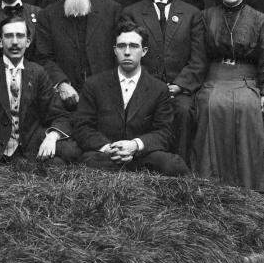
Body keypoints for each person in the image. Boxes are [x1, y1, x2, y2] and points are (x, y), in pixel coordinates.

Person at [191, 0, 264, 192]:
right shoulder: (206, 16)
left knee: (247, 106)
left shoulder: (261, 20)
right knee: (210, 104)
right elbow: (199, 56)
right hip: (215, 76)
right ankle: (210, 182)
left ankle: (250, 184)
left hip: (246, 77)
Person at [71, 24, 190, 176]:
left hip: (142, 156)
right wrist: (109, 148)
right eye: (121, 46)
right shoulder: (94, 85)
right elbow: (82, 127)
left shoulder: (158, 89)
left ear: (144, 51)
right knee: (87, 163)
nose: (127, 52)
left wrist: (134, 145)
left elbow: (165, 132)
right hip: (106, 156)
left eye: (133, 46)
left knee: (173, 165)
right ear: (115, 50)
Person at [0, 15, 77, 165]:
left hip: (29, 148)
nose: (15, 42)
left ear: (28, 42)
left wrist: (52, 136)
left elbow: (59, 114)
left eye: (20, 36)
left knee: (68, 155)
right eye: (8, 36)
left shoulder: (38, 73)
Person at [121, 0, 205, 154]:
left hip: (178, 89)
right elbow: (129, 56)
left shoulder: (191, 13)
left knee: (184, 111)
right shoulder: (132, 12)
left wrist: (178, 86)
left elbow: (198, 59)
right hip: (144, 87)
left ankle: (180, 170)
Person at [33, 0, 123, 110]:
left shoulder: (111, 10)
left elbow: (121, 53)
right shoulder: (48, 15)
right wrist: (61, 84)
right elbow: (43, 57)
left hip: (108, 100)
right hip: (66, 101)